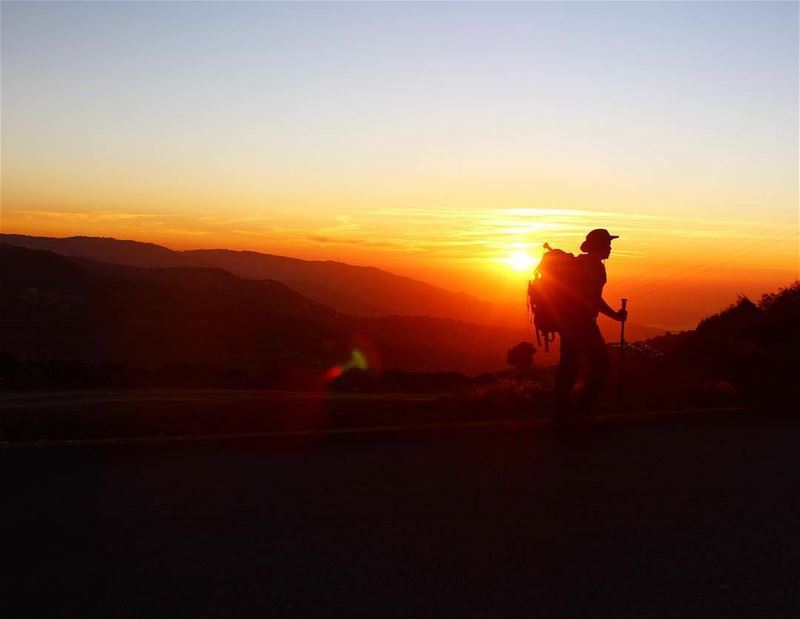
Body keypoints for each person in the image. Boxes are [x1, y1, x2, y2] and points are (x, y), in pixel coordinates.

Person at [554, 229, 627, 426]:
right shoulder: (594, 267)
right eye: (608, 244)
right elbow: (592, 299)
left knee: (569, 368)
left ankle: (561, 415)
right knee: (601, 365)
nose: (610, 248)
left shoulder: (579, 263)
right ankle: (583, 414)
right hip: (582, 324)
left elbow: (590, 297)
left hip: (566, 322)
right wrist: (615, 316)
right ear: (599, 246)